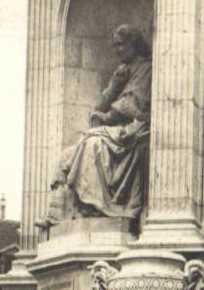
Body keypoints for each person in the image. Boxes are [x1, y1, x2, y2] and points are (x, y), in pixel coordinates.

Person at [50, 24, 151, 219]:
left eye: (120, 44)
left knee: (92, 145)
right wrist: (114, 86)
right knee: (68, 154)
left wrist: (106, 117)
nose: (117, 50)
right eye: (115, 46)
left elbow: (132, 104)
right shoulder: (122, 71)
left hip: (132, 131)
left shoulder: (146, 69)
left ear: (134, 44)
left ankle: (95, 204)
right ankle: (59, 210)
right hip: (114, 132)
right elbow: (100, 106)